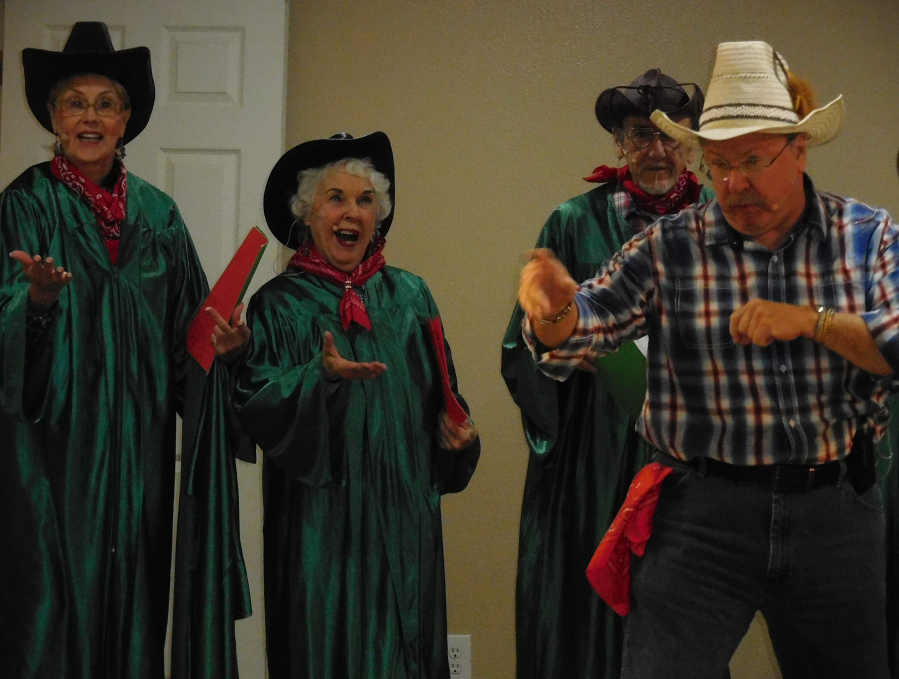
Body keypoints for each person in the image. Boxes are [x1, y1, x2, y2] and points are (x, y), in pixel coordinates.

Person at [518, 40, 899, 679]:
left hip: (835, 514)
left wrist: (815, 323)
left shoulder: (866, 235)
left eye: (752, 159)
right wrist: (553, 313)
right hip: (700, 516)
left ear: (798, 149)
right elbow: (584, 328)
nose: (732, 183)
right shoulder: (668, 247)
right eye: (718, 163)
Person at [0, 22, 250, 679]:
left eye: (105, 102)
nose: (90, 116)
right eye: (74, 102)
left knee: (135, 604)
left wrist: (223, 348)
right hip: (53, 459)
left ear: (127, 118)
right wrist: (39, 305)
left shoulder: (159, 217)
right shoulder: (26, 206)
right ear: (52, 117)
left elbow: (188, 343)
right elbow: (5, 337)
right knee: (53, 609)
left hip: (138, 460)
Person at [233, 131, 480, 679]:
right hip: (323, 533)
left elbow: (448, 401)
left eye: (365, 200)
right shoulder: (276, 307)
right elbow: (256, 406)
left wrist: (461, 438)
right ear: (307, 213)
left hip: (406, 519)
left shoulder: (411, 297)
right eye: (335, 198)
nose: (352, 213)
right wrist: (315, 379)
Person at [501, 69, 711, 678]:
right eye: (642, 135)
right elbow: (526, 344)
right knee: (585, 612)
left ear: (693, 143)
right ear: (619, 144)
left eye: (673, 136)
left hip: (688, 451)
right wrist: (564, 336)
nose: (658, 149)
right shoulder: (572, 223)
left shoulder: (720, 221)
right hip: (592, 452)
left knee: (684, 610)